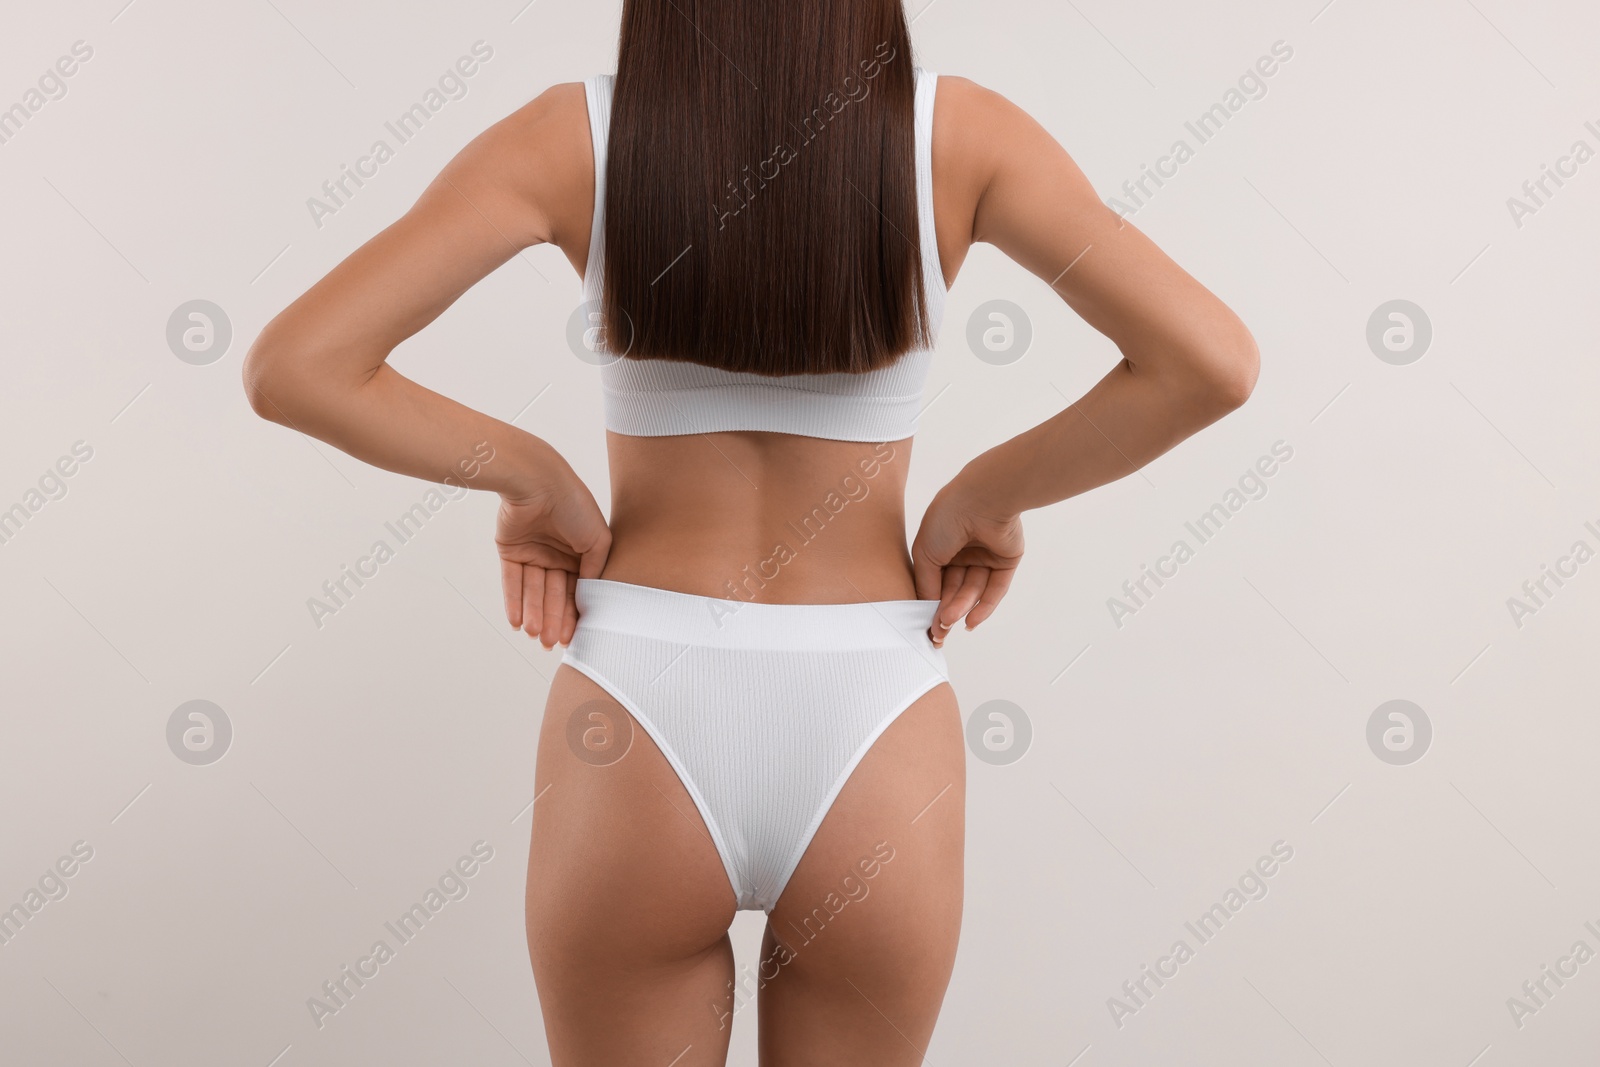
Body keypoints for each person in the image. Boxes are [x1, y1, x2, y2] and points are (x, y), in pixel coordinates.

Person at [242, 3, 1257, 1063]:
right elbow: (1208, 362)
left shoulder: (571, 138)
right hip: (872, 713)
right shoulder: (963, 137)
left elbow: (297, 366)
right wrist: (987, 494)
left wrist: (529, 477)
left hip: (639, 707)